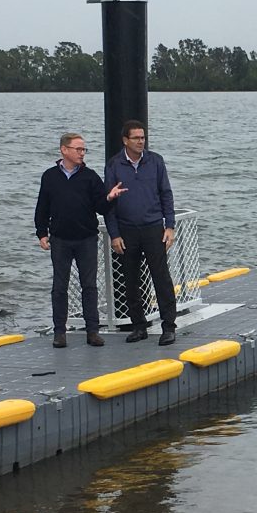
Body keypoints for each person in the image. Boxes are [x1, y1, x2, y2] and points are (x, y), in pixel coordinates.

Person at [34, 132, 117, 348]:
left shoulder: (90, 176)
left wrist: (109, 198)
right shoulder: (50, 176)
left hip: (86, 238)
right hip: (60, 239)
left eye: (84, 150)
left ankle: (93, 331)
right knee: (59, 286)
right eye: (78, 149)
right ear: (64, 150)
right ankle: (59, 332)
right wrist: (41, 233)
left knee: (89, 286)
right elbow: (42, 206)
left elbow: (100, 206)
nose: (82, 153)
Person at [104, 120, 178, 346]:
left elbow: (166, 193)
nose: (140, 141)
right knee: (130, 280)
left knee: (161, 278)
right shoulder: (114, 165)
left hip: (153, 227)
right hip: (127, 230)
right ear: (125, 140)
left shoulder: (155, 161)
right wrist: (114, 234)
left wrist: (170, 225)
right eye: (136, 138)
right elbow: (108, 203)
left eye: (143, 137)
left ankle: (168, 327)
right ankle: (139, 326)